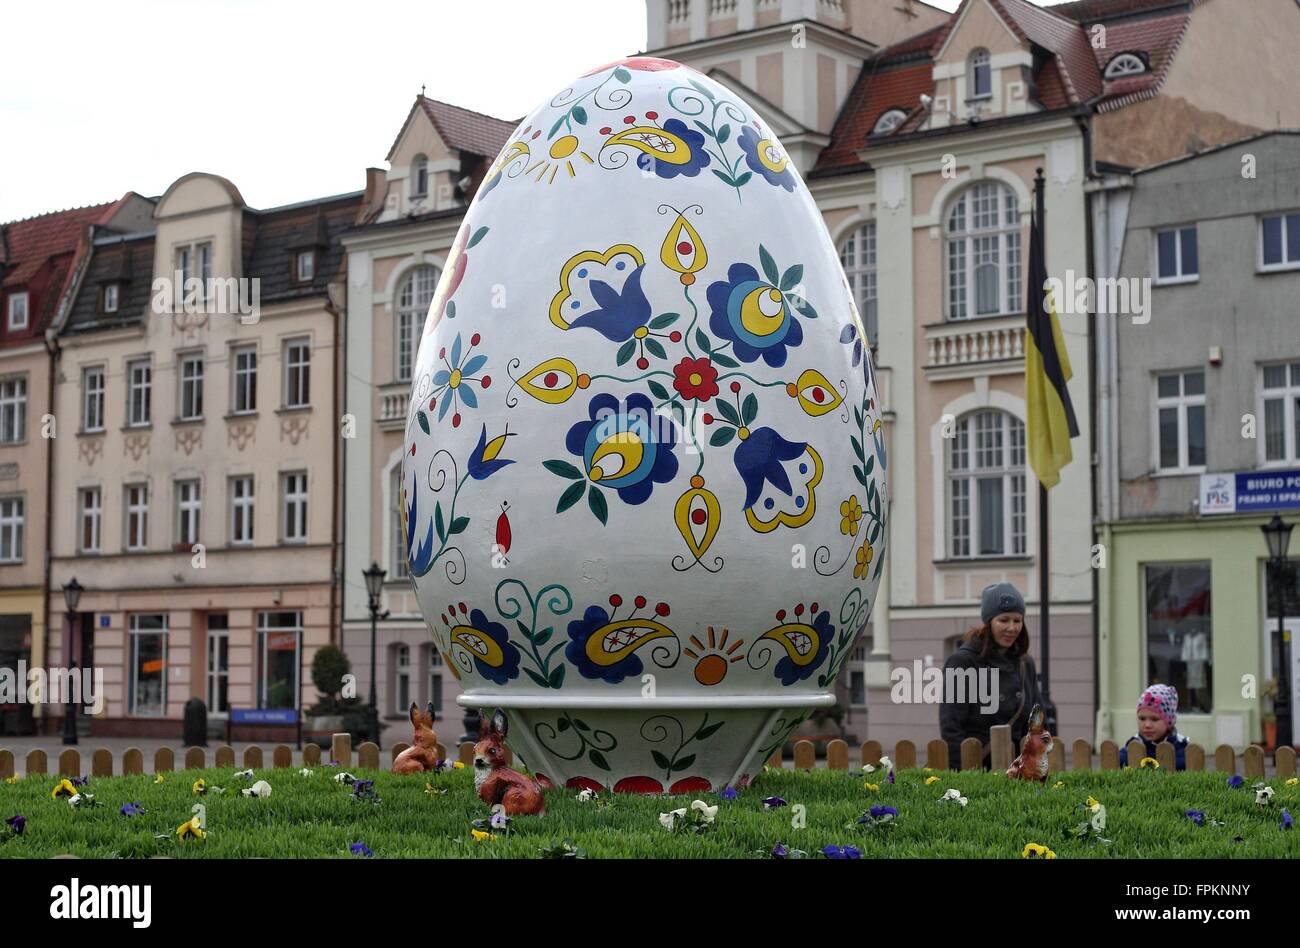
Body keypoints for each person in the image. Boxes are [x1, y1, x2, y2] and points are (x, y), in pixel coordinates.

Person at [939, 582, 1042, 770]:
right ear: (989, 622)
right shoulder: (963, 662)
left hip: (1019, 771)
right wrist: (962, 775)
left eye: (1017, 621)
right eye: (1004, 620)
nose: (1012, 628)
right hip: (977, 770)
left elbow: (1038, 718)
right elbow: (951, 728)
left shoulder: (1025, 663)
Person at [1118, 683, 1188, 769]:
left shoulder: (1181, 747)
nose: (1147, 725)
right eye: (1142, 718)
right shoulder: (1134, 745)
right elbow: (1117, 761)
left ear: (1169, 722)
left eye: (1154, 719)